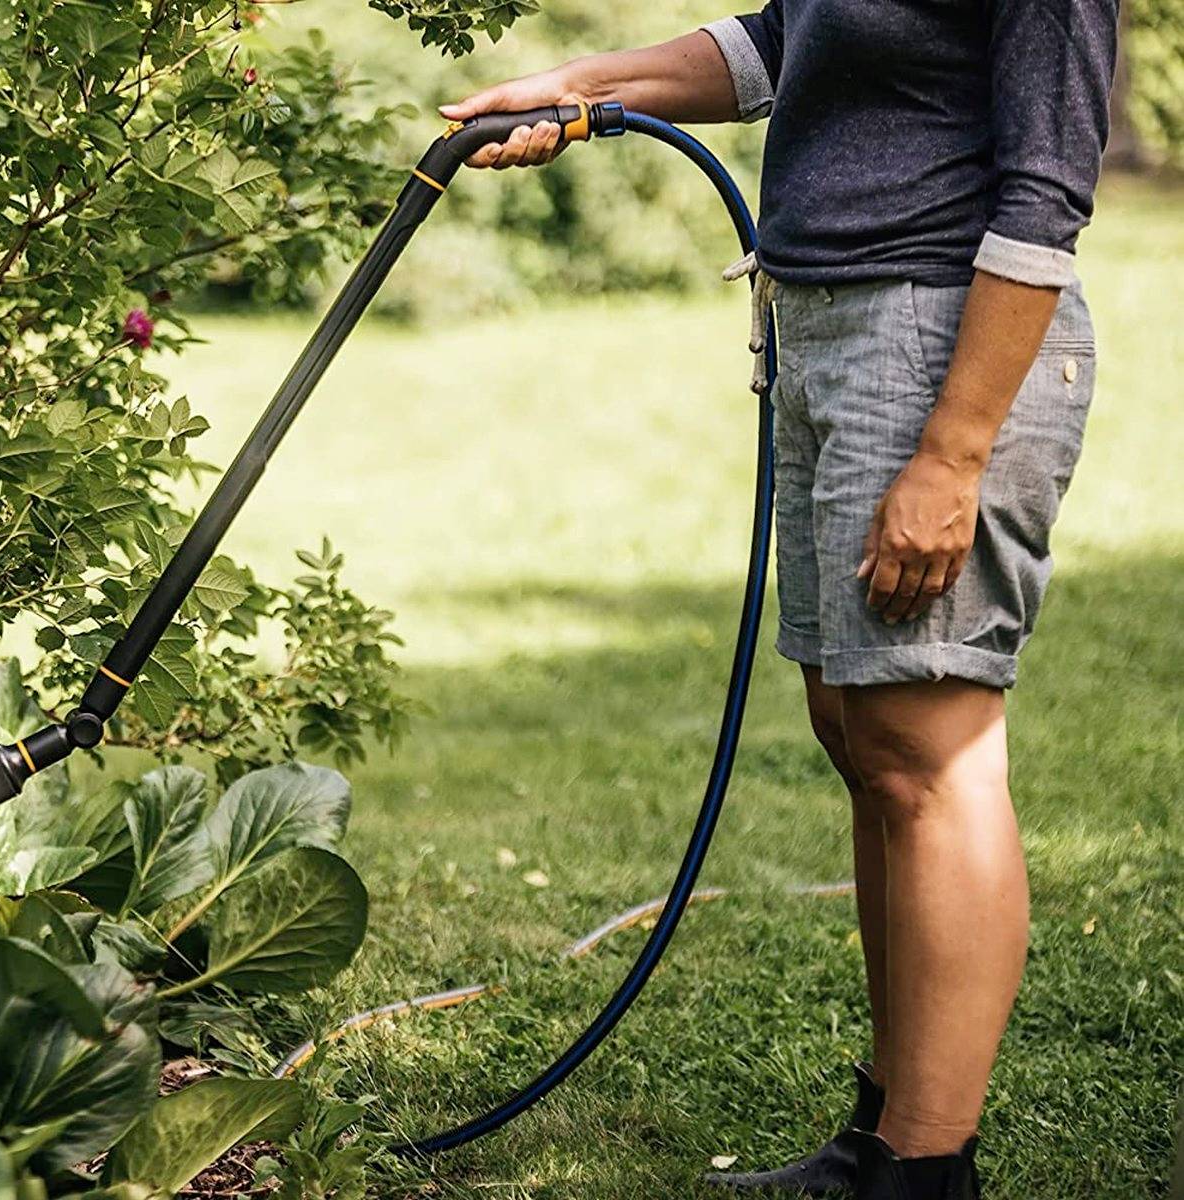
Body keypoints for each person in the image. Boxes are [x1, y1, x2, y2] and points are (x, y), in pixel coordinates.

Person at [440, 5, 1118, 1198]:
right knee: (863, 740)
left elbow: (1046, 190)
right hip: (821, 329)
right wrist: (579, 86)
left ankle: (923, 1172)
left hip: (939, 343)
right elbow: (780, 41)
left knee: (927, 746)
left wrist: (954, 455)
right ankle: (886, 1133)